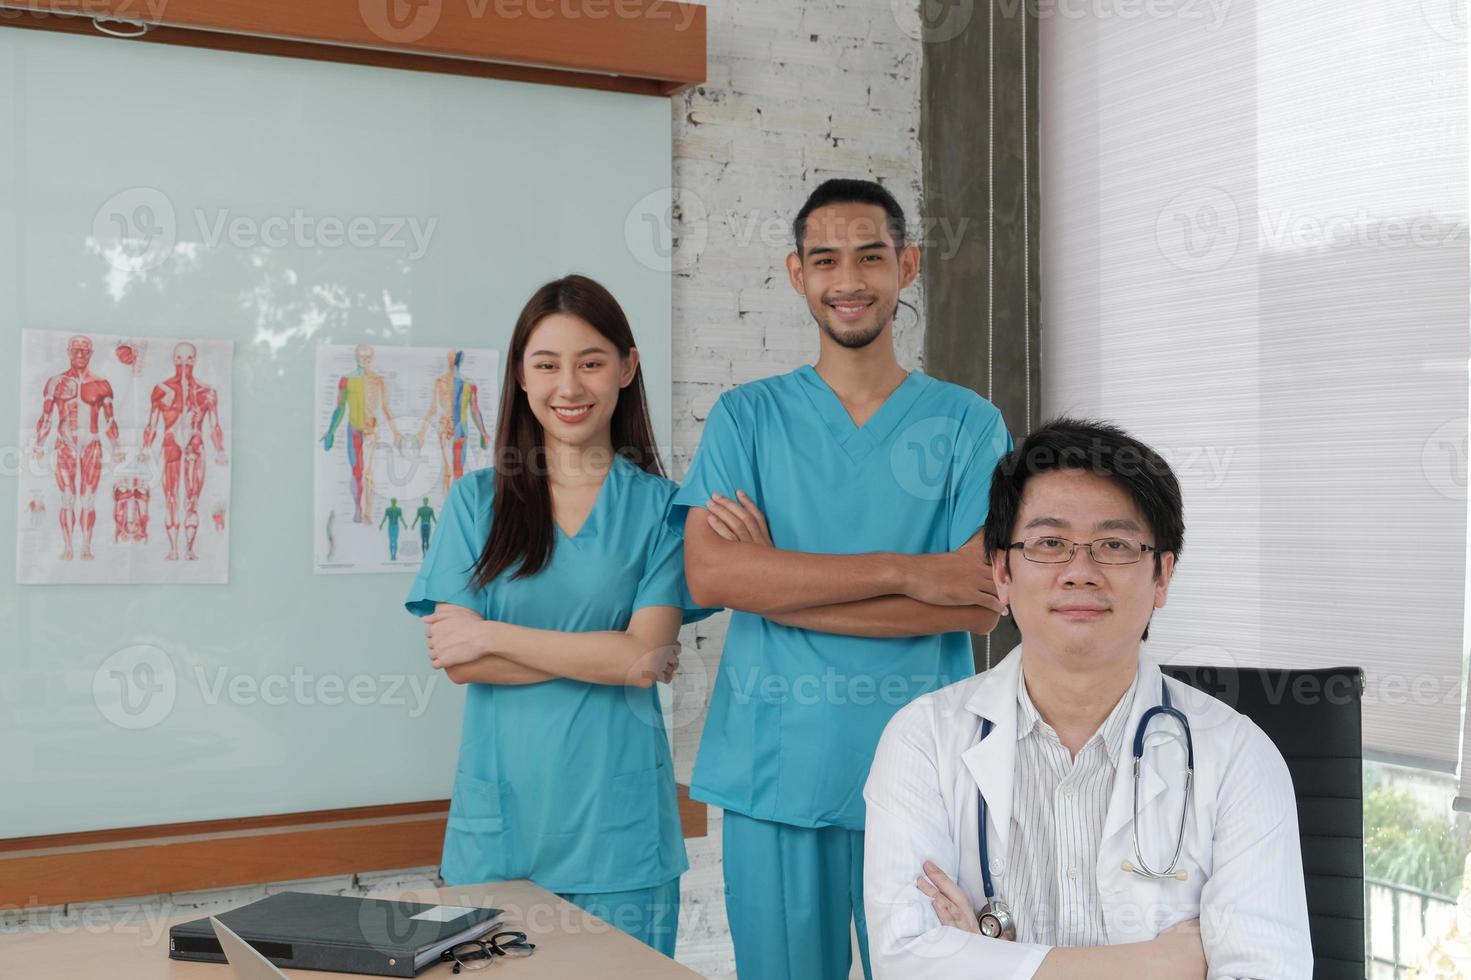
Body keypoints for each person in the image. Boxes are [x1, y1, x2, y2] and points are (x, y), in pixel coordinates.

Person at [675, 178, 1011, 980]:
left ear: (907, 265)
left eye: (870, 256)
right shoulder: (745, 419)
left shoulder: (969, 424)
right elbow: (714, 572)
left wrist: (781, 583)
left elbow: (978, 600)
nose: (848, 279)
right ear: (796, 275)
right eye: (824, 260)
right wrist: (905, 572)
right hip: (776, 773)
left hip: (925, 775)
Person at [862, 418, 1312, 979]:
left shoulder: (1240, 757)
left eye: (1115, 546)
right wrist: (1159, 964)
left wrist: (991, 962)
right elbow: (905, 962)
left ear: (1162, 574)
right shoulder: (923, 740)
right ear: (1001, 572)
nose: (1080, 572)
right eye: (1050, 544)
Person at [404, 275, 713, 957]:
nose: (567, 386)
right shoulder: (473, 502)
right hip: (498, 833)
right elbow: (459, 664)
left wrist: (489, 631)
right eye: (546, 365)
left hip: (619, 839)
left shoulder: (664, 510)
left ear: (627, 368)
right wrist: (613, 652)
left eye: (591, 362)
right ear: (520, 375)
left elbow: (637, 664)